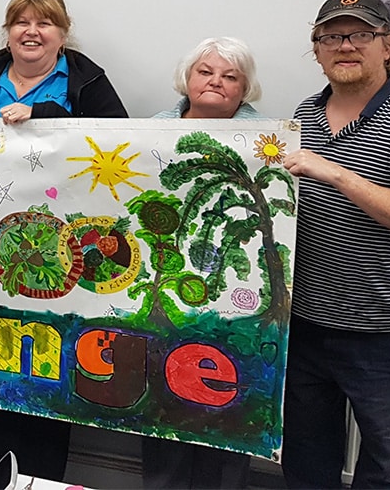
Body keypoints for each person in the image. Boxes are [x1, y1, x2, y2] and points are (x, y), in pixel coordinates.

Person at [0, 0, 127, 482]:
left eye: (44, 23)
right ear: (7, 33)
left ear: (62, 34)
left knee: (48, 359)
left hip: (58, 249)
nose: (31, 31)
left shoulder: (86, 80)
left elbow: (119, 137)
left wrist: (44, 117)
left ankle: (41, 478)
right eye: (21, 22)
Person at [280, 0, 390, 489]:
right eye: (331, 37)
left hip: (385, 330)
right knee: (305, 460)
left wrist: (335, 173)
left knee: (385, 464)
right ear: (317, 51)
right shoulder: (302, 115)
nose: (346, 46)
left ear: (387, 47)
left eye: (361, 34)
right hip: (304, 324)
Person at [141, 37, 260, 489]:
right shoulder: (150, 131)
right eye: (205, 72)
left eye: (230, 76)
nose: (216, 82)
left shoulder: (269, 138)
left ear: (245, 89)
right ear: (187, 79)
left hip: (236, 294)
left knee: (228, 401)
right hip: (165, 284)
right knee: (164, 402)